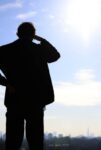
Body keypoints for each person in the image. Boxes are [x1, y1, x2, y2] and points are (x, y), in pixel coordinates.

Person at [0, 22, 60, 150]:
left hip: (14, 99)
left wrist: (7, 84)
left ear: (17, 34)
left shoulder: (4, 50)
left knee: (13, 141)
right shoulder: (39, 50)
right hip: (36, 101)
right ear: (33, 34)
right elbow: (55, 55)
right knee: (36, 141)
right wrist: (41, 40)